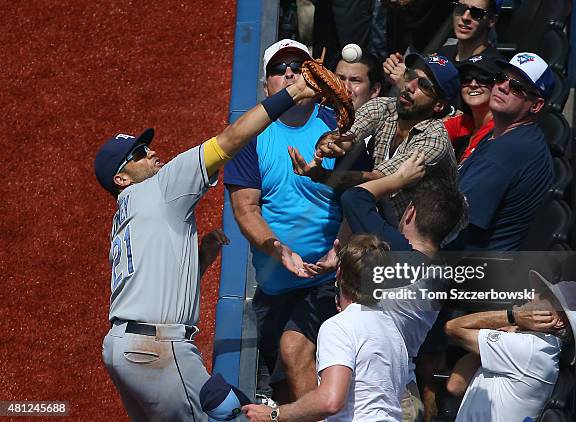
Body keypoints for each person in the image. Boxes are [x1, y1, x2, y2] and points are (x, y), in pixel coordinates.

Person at [94, 68, 316, 421]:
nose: (151, 153)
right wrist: (294, 92)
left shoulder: (125, 216)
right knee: (234, 412)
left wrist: (197, 262)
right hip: (158, 349)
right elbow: (230, 139)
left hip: (122, 350)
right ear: (121, 178)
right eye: (138, 153)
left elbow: (151, 284)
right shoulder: (159, 187)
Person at [224, 39, 342, 402]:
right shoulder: (250, 136)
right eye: (279, 68)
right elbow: (246, 209)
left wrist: (343, 248)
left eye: (297, 66)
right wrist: (279, 250)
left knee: (295, 353)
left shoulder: (336, 125)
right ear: (266, 86)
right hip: (274, 285)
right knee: (278, 385)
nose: (289, 73)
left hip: (332, 279)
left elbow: (358, 197)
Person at [341, 154, 466, 422]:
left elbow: (354, 198)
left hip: (386, 399)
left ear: (410, 213)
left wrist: (397, 179)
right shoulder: (439, 272)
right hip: (399, 392)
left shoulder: (401, 256)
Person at [242, 234, 411, 422]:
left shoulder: (340, 326)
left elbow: (330, 401)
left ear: (338, 274)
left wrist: (275, 414)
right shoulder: (394, 332)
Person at [293, 53, 460, 225]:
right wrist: (332, 144)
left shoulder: (435, 138)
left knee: (355, 198)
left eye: (424, 85)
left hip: (433, 238)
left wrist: (321, 175)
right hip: (390, 221)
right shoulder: (381, 107)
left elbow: (378, 179)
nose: (409, 86)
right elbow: (347, 135)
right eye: (410, 75)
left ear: (439, 105)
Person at [445, 270, 576, 421]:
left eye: (544, 297)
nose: (530, 296)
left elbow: (452, 328)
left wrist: (514, 316)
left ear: (558, 320)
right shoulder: (527, 345)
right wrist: (501, 332)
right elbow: (455, 385)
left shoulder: (530, 349)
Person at [456, 52, 555, 250]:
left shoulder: (509, 151)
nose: (503, 86)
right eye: (501, 78)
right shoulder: (508, 134)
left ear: (536, 105)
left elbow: (448, 220)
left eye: (517, 87)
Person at [444, 54, 499, 162]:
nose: (473, 84)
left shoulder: (499, 130)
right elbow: (431, 139)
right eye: (466, 79)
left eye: (483, 78)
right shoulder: (463, 121)